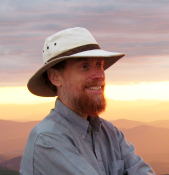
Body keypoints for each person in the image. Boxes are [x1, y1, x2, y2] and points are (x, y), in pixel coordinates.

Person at [20, 27, 156, 175]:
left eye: (99, 65)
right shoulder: (47, 140)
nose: (99, 75)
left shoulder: (110, 133)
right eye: (85, 66)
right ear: (55, 77)